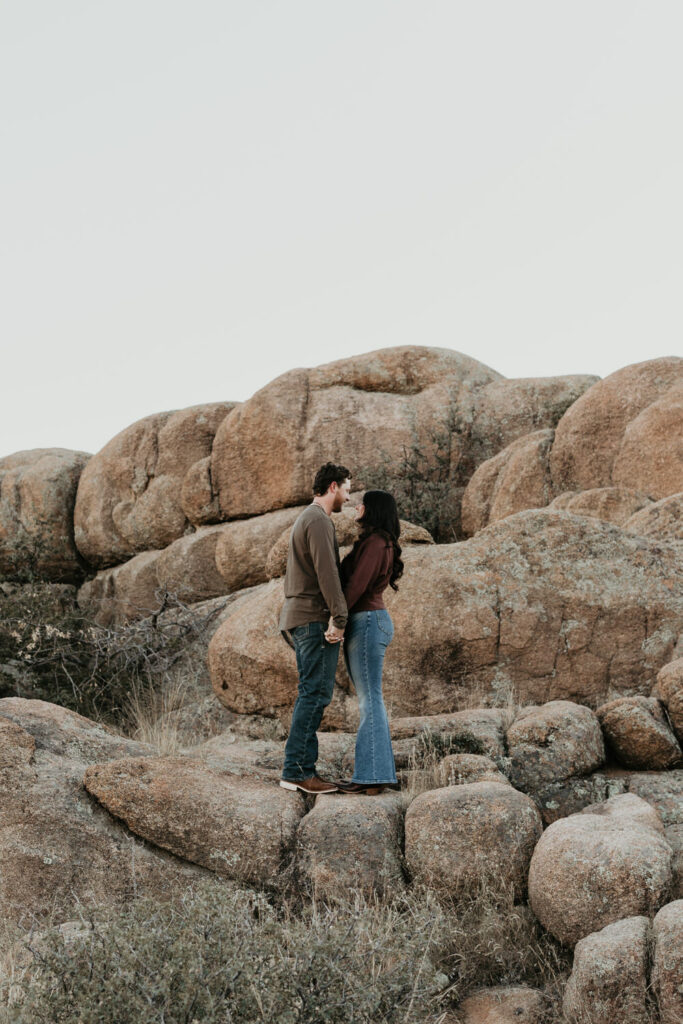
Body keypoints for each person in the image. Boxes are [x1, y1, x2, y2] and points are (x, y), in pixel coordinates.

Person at [278, 462, 351, 795]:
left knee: (311, 693)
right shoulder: (319, 520)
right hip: (313, 618)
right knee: (314, 694)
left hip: (300, 616)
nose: (348, 498)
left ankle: (300, 768)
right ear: (333, 487)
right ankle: (297, 771)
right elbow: (327, 573)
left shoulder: (306, 518)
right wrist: (339, 617)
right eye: (347, 490)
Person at [332, 490, 404, 796]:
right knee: (372, 699)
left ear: (372, 510)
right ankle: (378, 775)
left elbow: (357, 585)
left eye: (362, 503)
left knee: (369, 700)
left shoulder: (375, 543)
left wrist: (337, 620)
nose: (357, 506)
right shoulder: (380, 541)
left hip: (367, 623)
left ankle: (372, 776)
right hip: (372, 622)